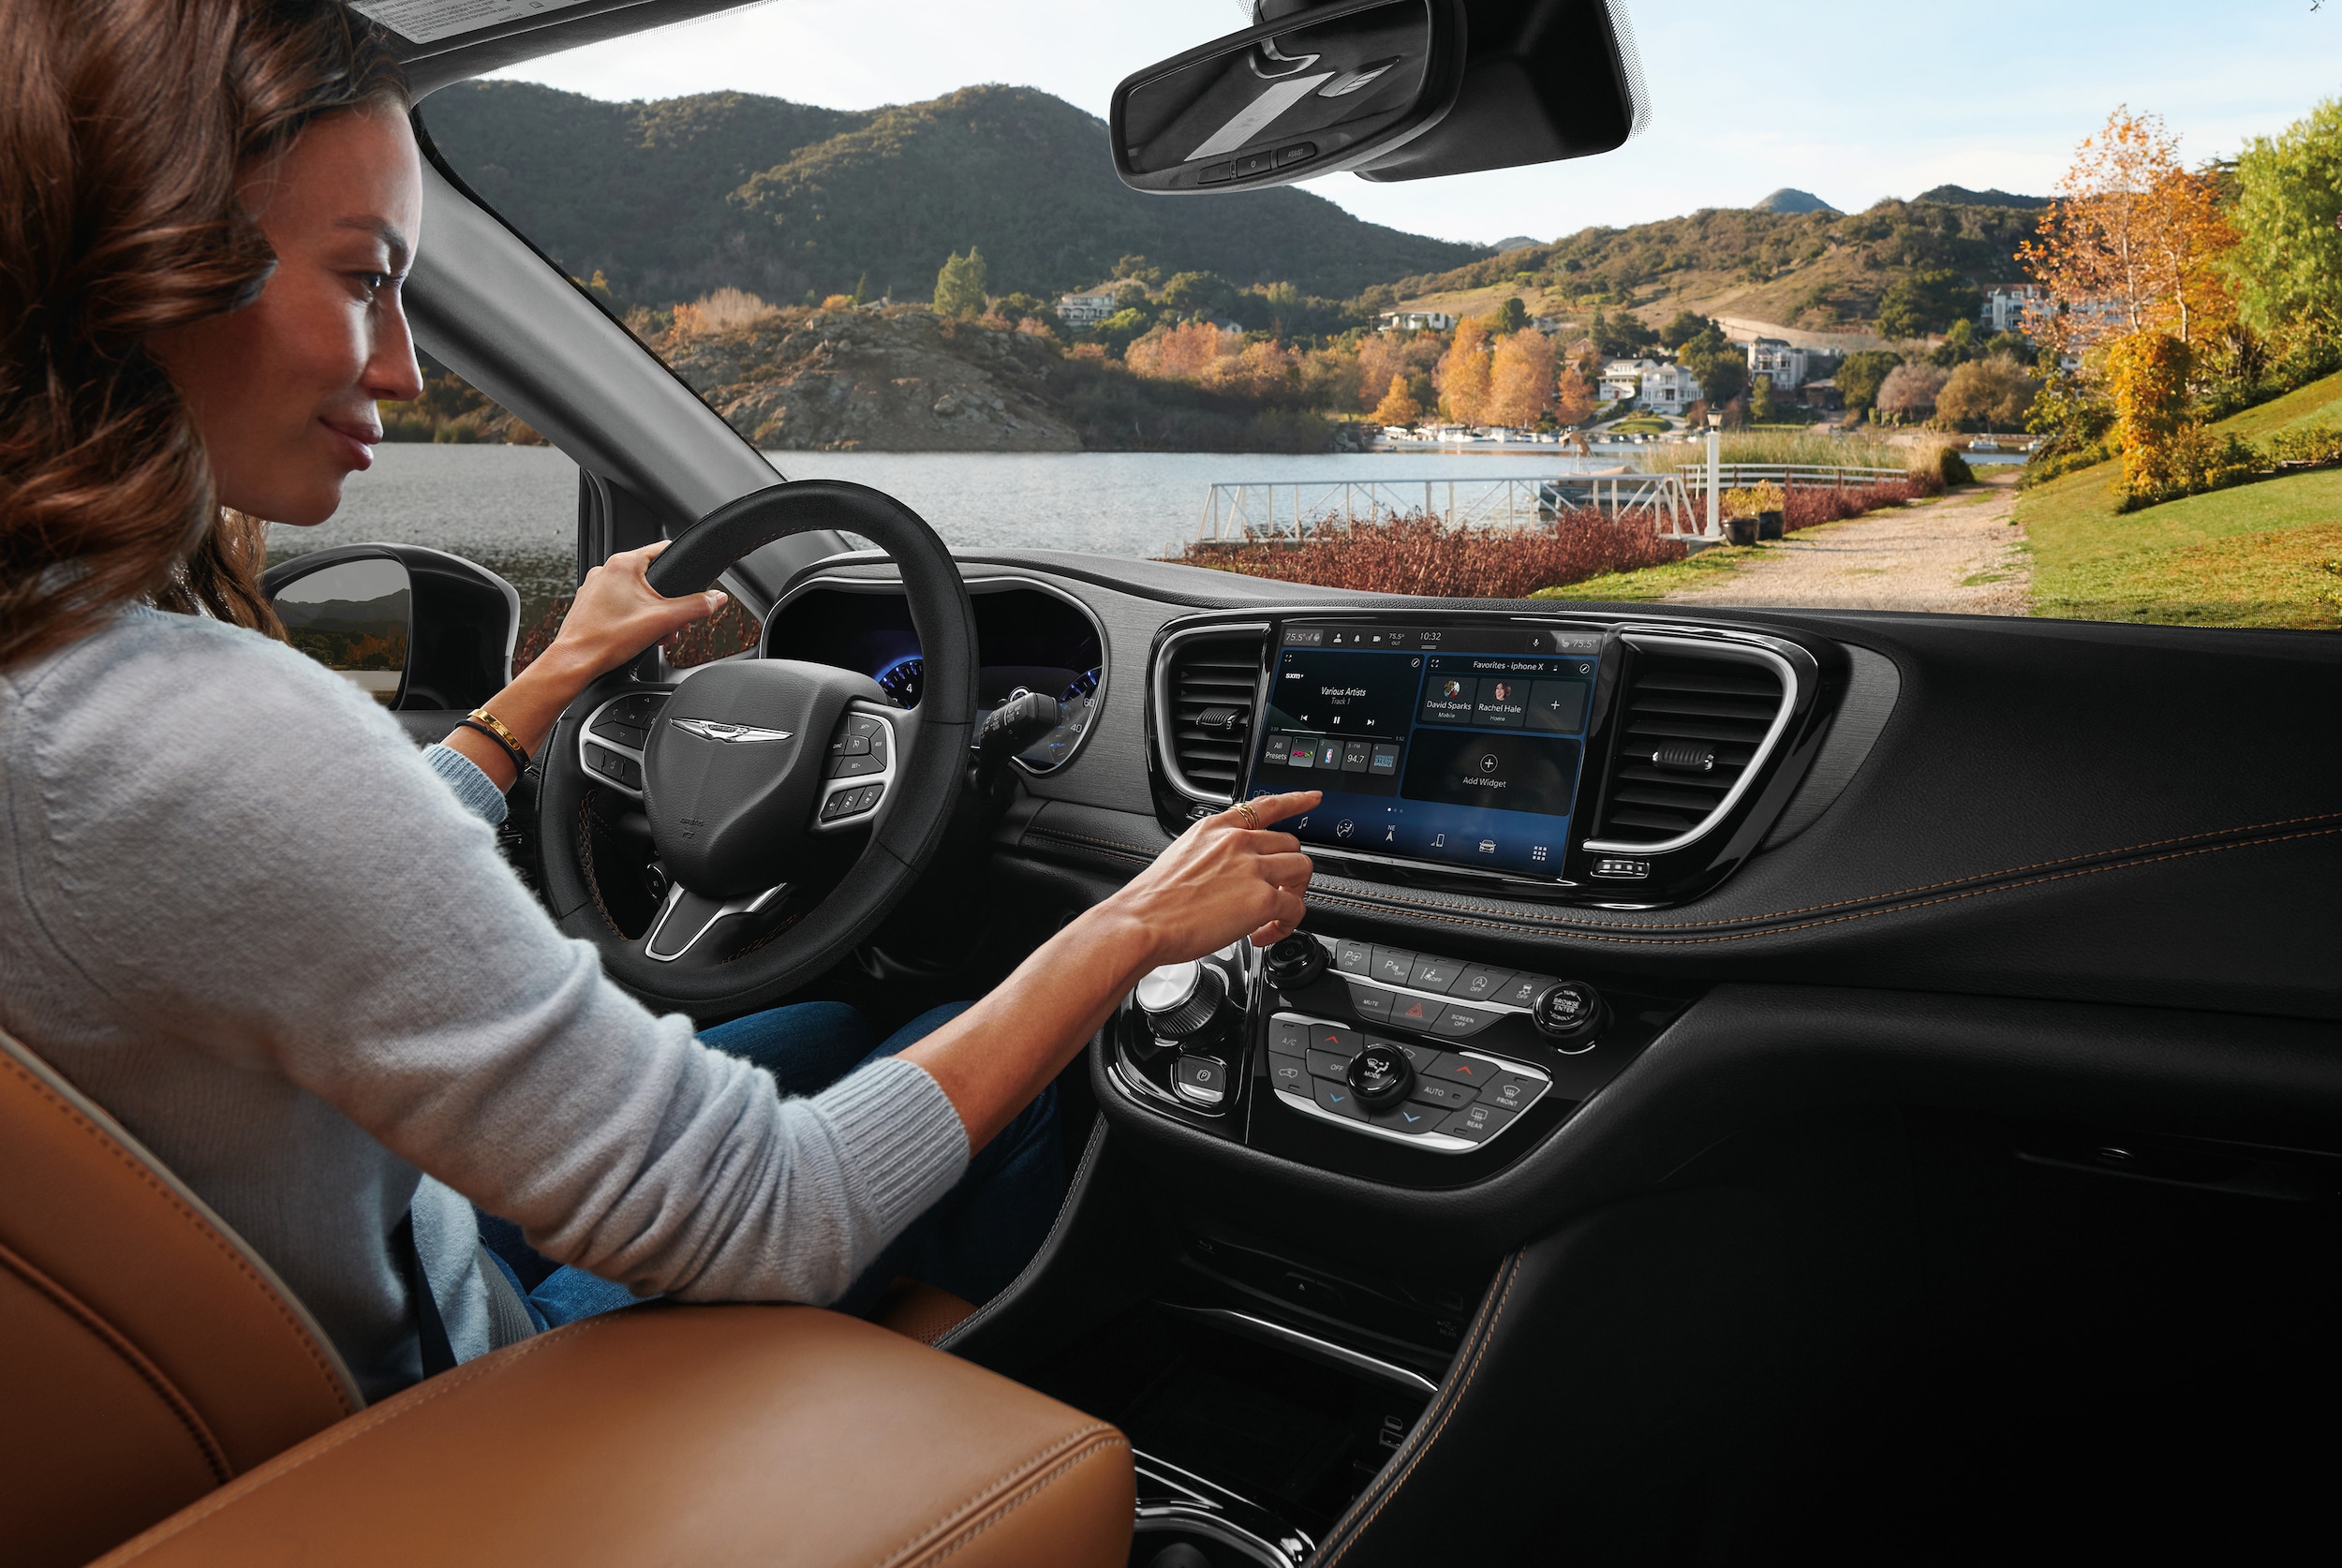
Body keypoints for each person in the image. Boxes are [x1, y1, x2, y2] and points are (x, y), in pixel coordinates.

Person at [0, 0, 1318, 1398]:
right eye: (364, 279)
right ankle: (999, 1437)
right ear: (148, 263)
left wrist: (553, 681)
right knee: (1026, 1061)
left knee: (842, 1028)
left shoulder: (73, 692)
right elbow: (775, 1206)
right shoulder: (208, 730)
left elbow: (282, 877)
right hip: (459, 1403)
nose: (406, 366)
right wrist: (1132, 925)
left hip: (351, 1264)